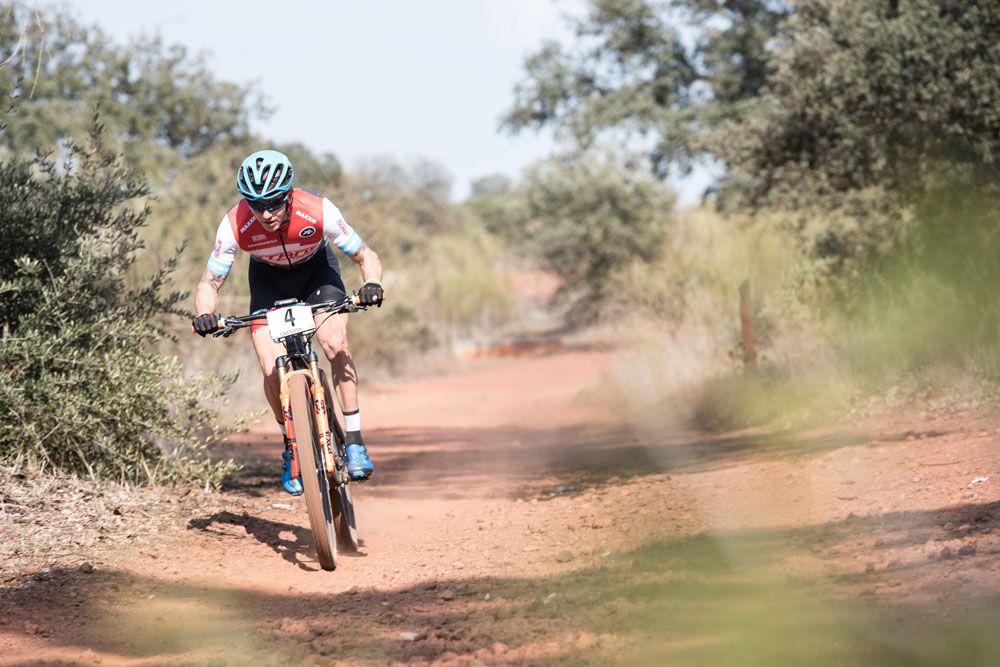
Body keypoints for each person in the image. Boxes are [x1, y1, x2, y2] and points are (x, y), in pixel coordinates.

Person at [191, 149, 384, 495]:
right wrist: (205, 314)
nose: (265, 214)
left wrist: (372, 284)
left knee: (335, 343)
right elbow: (210, 282)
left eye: (275, 203)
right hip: (268, 282)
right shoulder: (235, 223)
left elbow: (365, 255)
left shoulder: (318, 210)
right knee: (270, 368)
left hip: (317, 275)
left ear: (289, 194)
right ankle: (291, 445)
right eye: (255, 204)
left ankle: (354, 440)